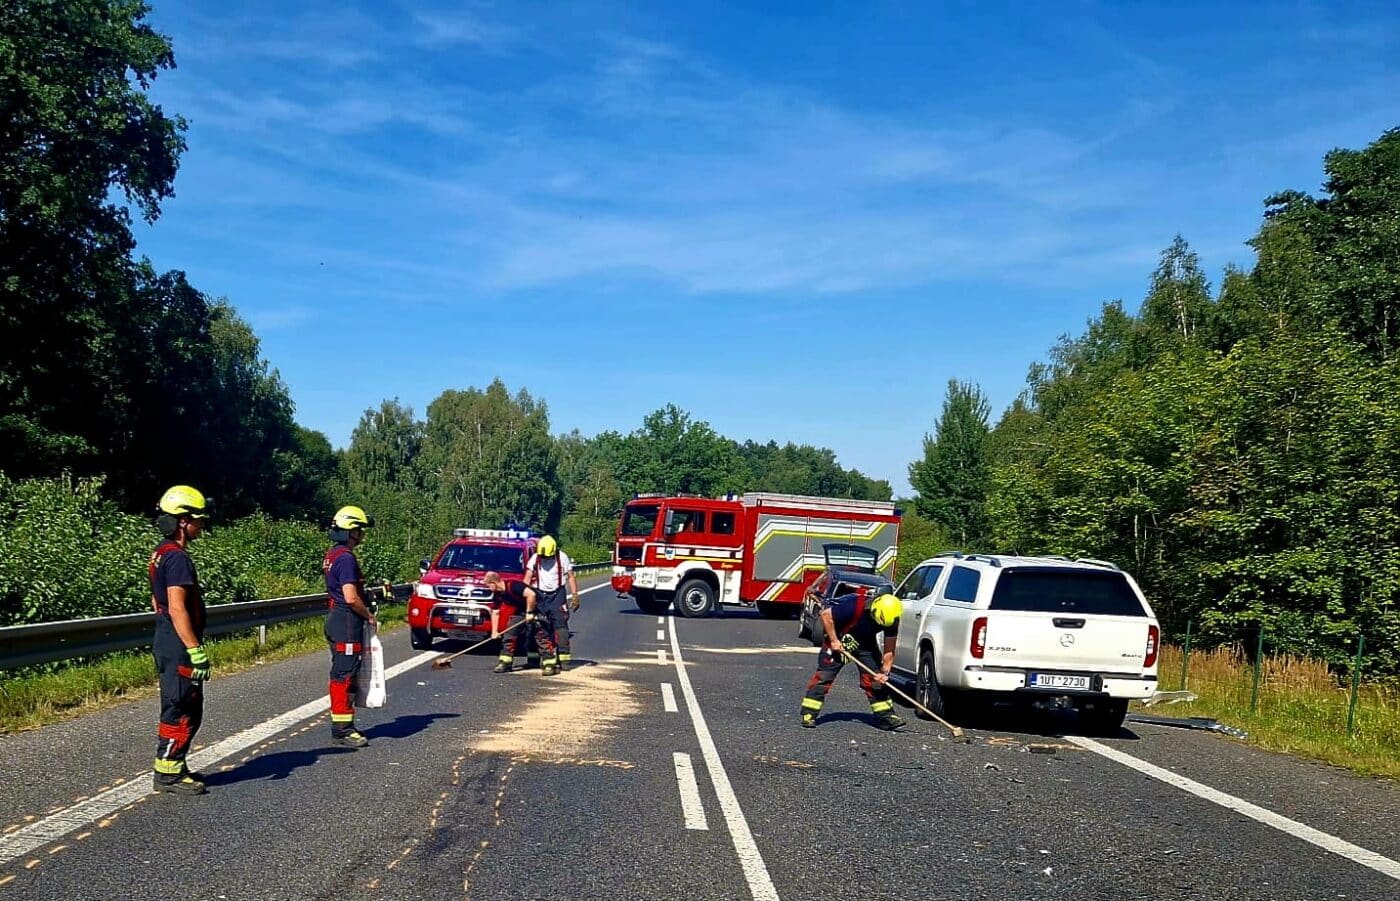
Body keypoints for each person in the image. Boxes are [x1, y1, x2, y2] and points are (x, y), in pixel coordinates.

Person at [150, 485, 213, 795]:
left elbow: (156, 601)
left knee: (182, 702)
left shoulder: (160, 553)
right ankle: (168, 773)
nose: (201, 526)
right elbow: (177, 607)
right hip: (178, 643)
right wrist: (194, 648)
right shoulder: (177, 558)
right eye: (198, 520)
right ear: (183, 521)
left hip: (165, 636)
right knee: (183, 706)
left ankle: (174, 765)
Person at [800, 592, 906, 731]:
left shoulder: (892, 620)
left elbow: (889, 650)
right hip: (839, 641)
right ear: (874, 610)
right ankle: (809, 713)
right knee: (824, 677)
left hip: (865, 645)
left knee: (875, 680)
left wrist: (885, 672)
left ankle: (886, 717)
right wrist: (834, 640)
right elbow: (826, 615)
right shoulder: (854, 606)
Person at [324, 505, 376, 748]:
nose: (362, 534)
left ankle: (344, 724)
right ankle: (342, 729)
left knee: (345, 671)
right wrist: (369, 615)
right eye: (360, 530)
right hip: (345, 621)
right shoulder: (346, 558)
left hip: (337, 618)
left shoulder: (333, 554)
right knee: (344, 674)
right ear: (351, 531)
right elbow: (351, 597)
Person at [483, 571, 558, 675]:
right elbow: (495, 612)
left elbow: (531, 595)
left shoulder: (514, 586)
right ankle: (505, 662)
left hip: (538, 608)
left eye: (488, 585)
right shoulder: (498, 594)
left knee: (540, 636)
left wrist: (530, 612)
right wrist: (494, 632)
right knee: (509, 634)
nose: (488, 588)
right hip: (522, 611)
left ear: (494, 583)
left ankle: (549, 664)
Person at [523, 535, 580, 670]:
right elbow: (527, 578)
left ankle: (564, 660)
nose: (544, 559)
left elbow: (571, 576)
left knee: (561, 627)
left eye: (547, 556)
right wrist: (525, 596)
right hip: (540, 595)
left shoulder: (562, 557)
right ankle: (533, 659)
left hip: (557, 594)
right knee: (535, 626)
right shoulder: (535, 558)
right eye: (542, 556)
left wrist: (575, 595)